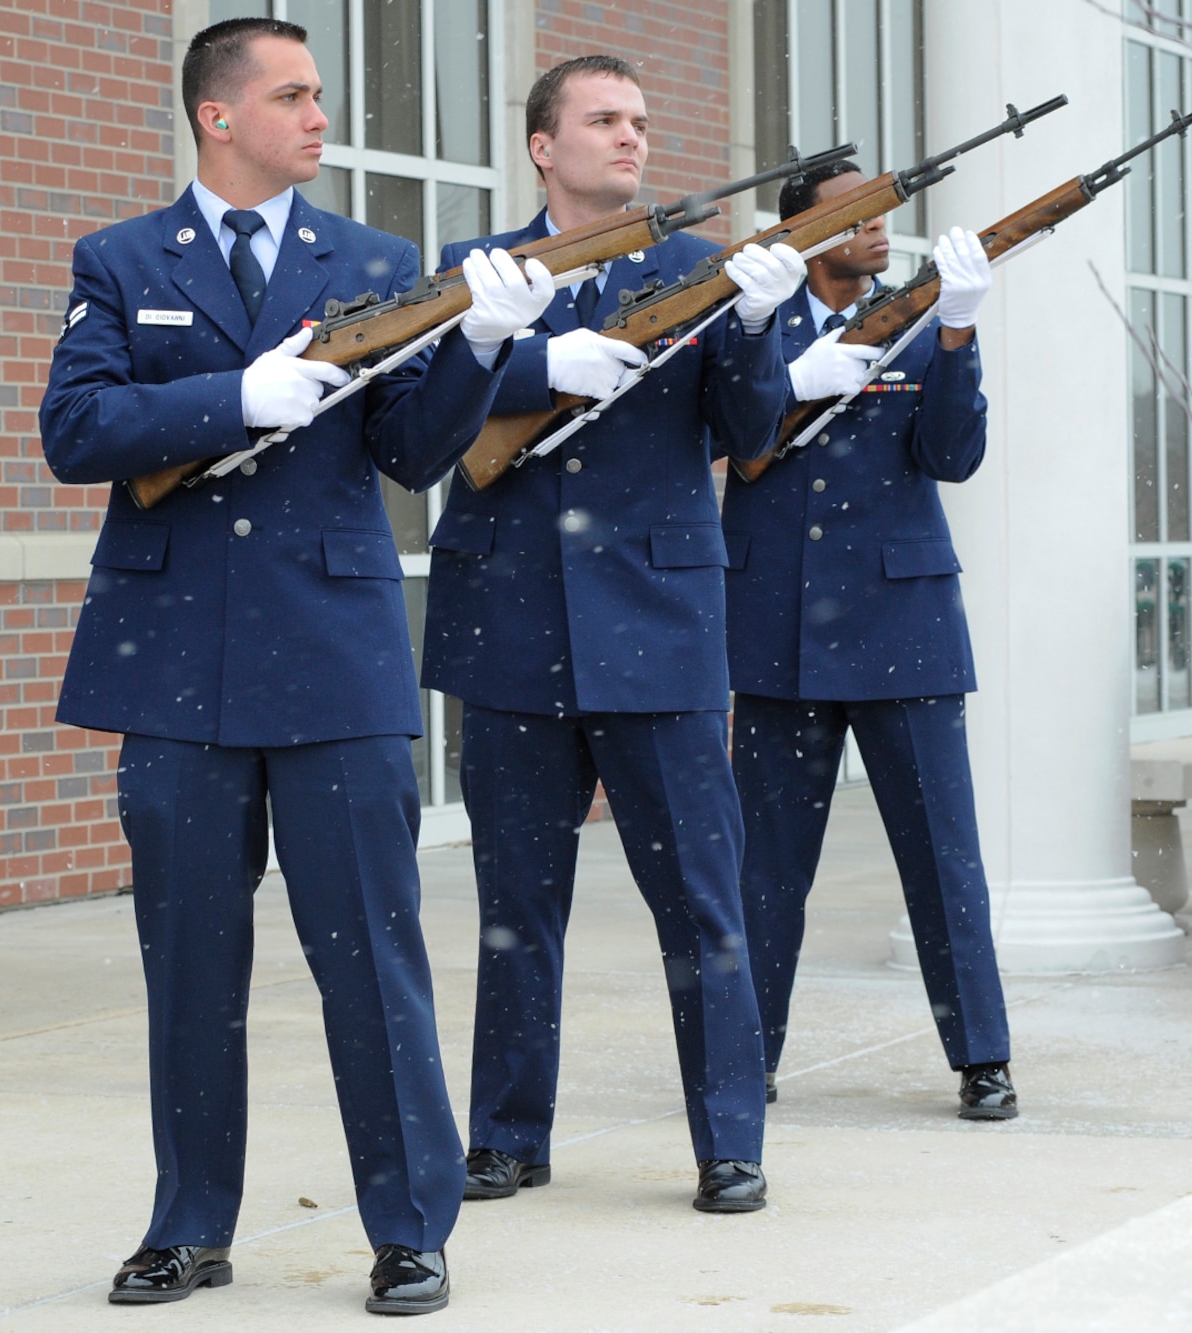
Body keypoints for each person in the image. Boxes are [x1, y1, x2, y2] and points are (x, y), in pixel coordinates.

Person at [39, 18, 553, 1315]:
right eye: (295, 95)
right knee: (191, 964)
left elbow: (415, 451)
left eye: (320, 94)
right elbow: (77, 428)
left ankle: (410, 1225)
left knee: (373, 961)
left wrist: (486, 347)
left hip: (330, 661)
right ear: (219, 116)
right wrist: (231, 400)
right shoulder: (120, 260)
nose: (321, 115)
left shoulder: (373, 261)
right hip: (175, 669)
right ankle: (188, 1222)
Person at [421, 55, 805, 1215]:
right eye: (601, 120)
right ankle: (505, 1134)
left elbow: (752, 436)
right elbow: (419, 419)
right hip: (511, 621)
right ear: (543, 145)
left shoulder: (703, 269)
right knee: (513, 904)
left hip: (660, 628)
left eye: (639, 119)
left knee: (700, 900)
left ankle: (728, 1138)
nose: (629, 137)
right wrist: (530, 356)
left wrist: (750, 321)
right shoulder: (477, 273)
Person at [721, 158, 1018, 1120]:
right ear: (800, 229)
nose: (881, 228)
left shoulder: (920, 320)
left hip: (904, 627)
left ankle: (981, 1054)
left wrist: (962, 327)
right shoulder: (751, 327)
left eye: (888, 212)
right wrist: (785, 380)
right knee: (765, 865)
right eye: (856, 213)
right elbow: (726, 443)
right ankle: (747, 1052)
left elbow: (953, 457)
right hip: (777, 625)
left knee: (941, 853)